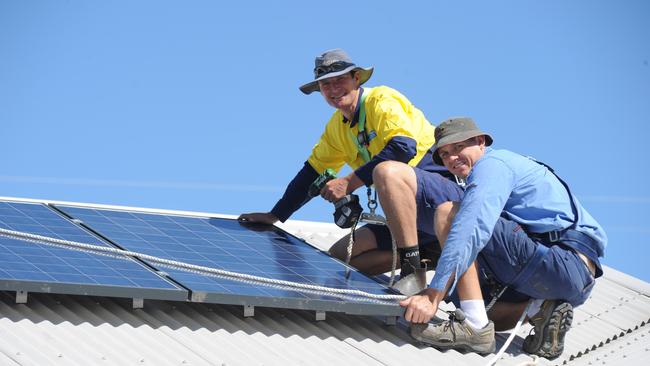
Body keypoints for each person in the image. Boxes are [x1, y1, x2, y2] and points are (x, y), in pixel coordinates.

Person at [239, 49, 462, 279]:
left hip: (438, 197)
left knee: (387, 171)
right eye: (326, 85)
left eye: (340, 80)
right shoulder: (337, 127)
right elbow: (311, 173)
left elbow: (403, 148)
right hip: (404, 214)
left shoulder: (381, 100)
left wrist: (348, 182)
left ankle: (412, 267)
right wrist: (275, 215)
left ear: (357, 78)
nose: (334, 89)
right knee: (339, 256)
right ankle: (428, 253)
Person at [399, 117, 606, 358]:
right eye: (444, 154)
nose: (451, 158)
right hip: (572, 280)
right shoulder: (507, 167)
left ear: (480, 142)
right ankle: (543, 309)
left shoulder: (492, 166)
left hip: (561, 261)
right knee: (472, 299)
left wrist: (433, 295)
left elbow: (469, 228)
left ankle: (475, 328)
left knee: (449, 213)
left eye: (457, 147)